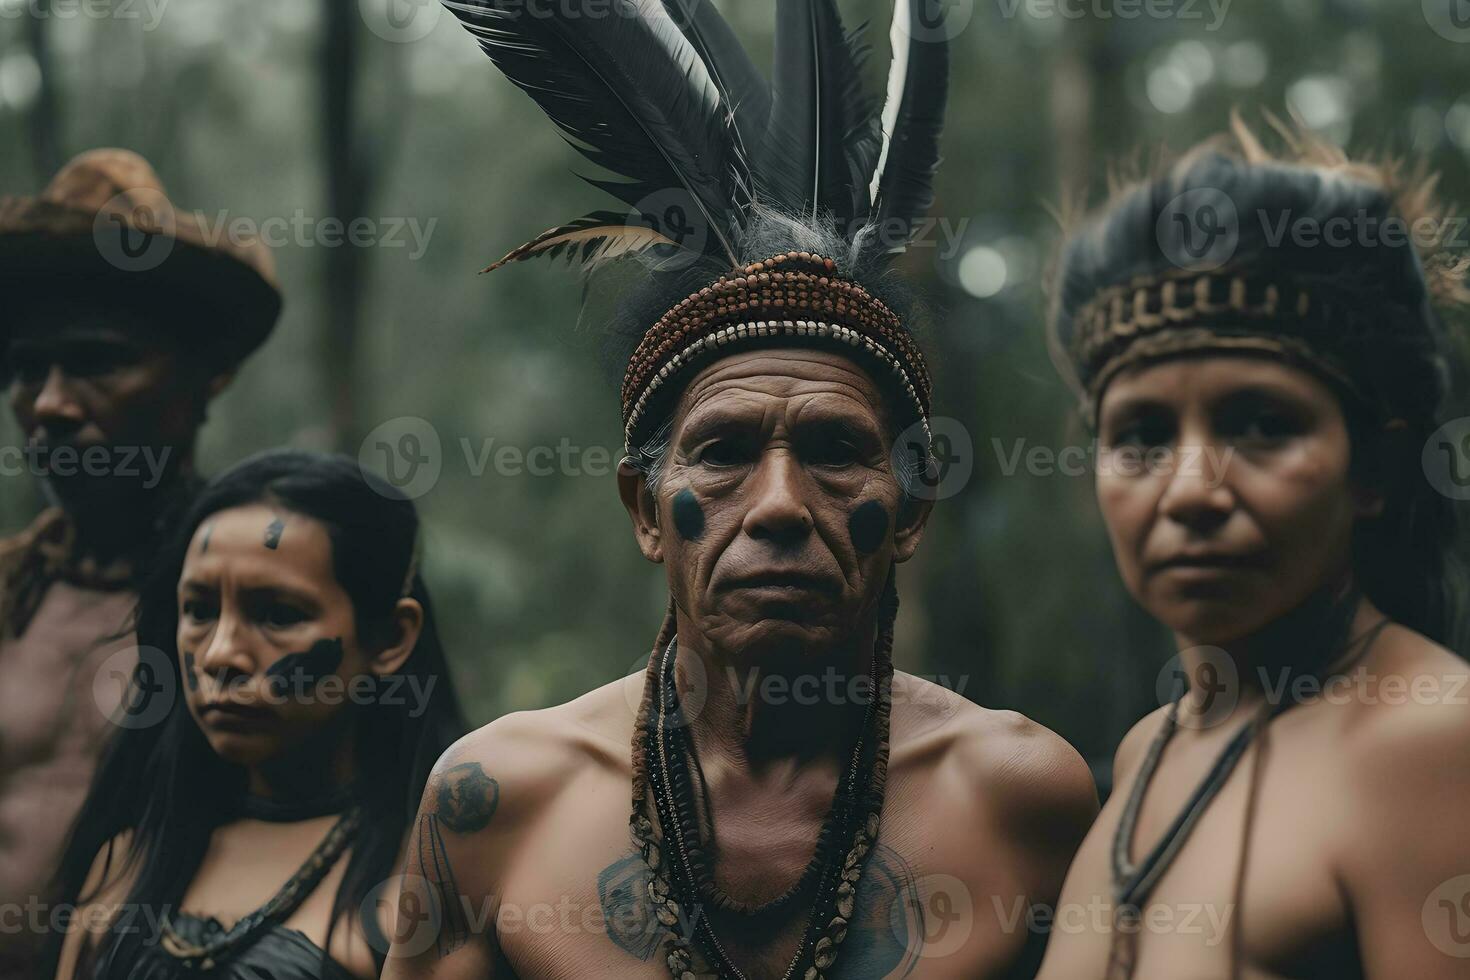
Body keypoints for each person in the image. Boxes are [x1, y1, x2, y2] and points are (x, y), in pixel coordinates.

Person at [384, 2, 1097, 977]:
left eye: (837, 448)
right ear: (644, 509)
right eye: (721, 450)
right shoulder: (497, 799)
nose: (777, 505)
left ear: (914, 509)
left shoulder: (1023, 799)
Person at [1037, 116, 1470, 978]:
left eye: (1264, 425)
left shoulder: (1432, 744)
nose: (1193, 489)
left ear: (1374, 468)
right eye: (1142, 437)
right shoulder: (1147, 750)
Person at [0, 148, 283, 978]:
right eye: (25, 370)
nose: (48, 403)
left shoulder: (270, 602)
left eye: (95, 361)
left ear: (205, 379)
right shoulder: (11, 589)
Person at [44, 450, 466, 979]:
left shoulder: (433, 877)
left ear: (389, 638)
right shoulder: (126, 861)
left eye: (279, 614)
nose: (220, 654)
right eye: (198, 610)